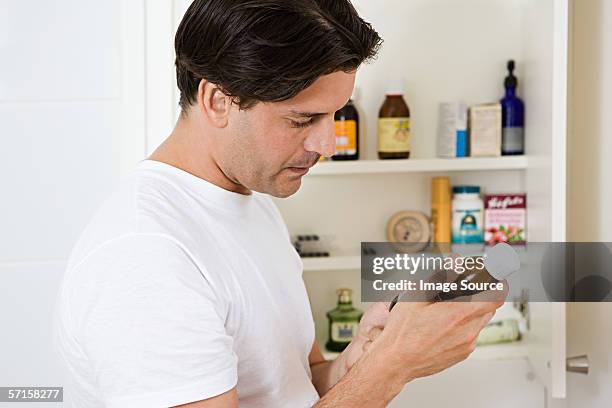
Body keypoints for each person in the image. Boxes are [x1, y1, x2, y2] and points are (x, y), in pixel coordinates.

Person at [54, 0, 504, 407]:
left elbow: (296, 382)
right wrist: (393, 367)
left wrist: (364, 359)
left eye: (336, 115)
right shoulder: (144, 255)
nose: (327, 143)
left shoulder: (249, 198)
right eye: (303, 119)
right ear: (218, 100)